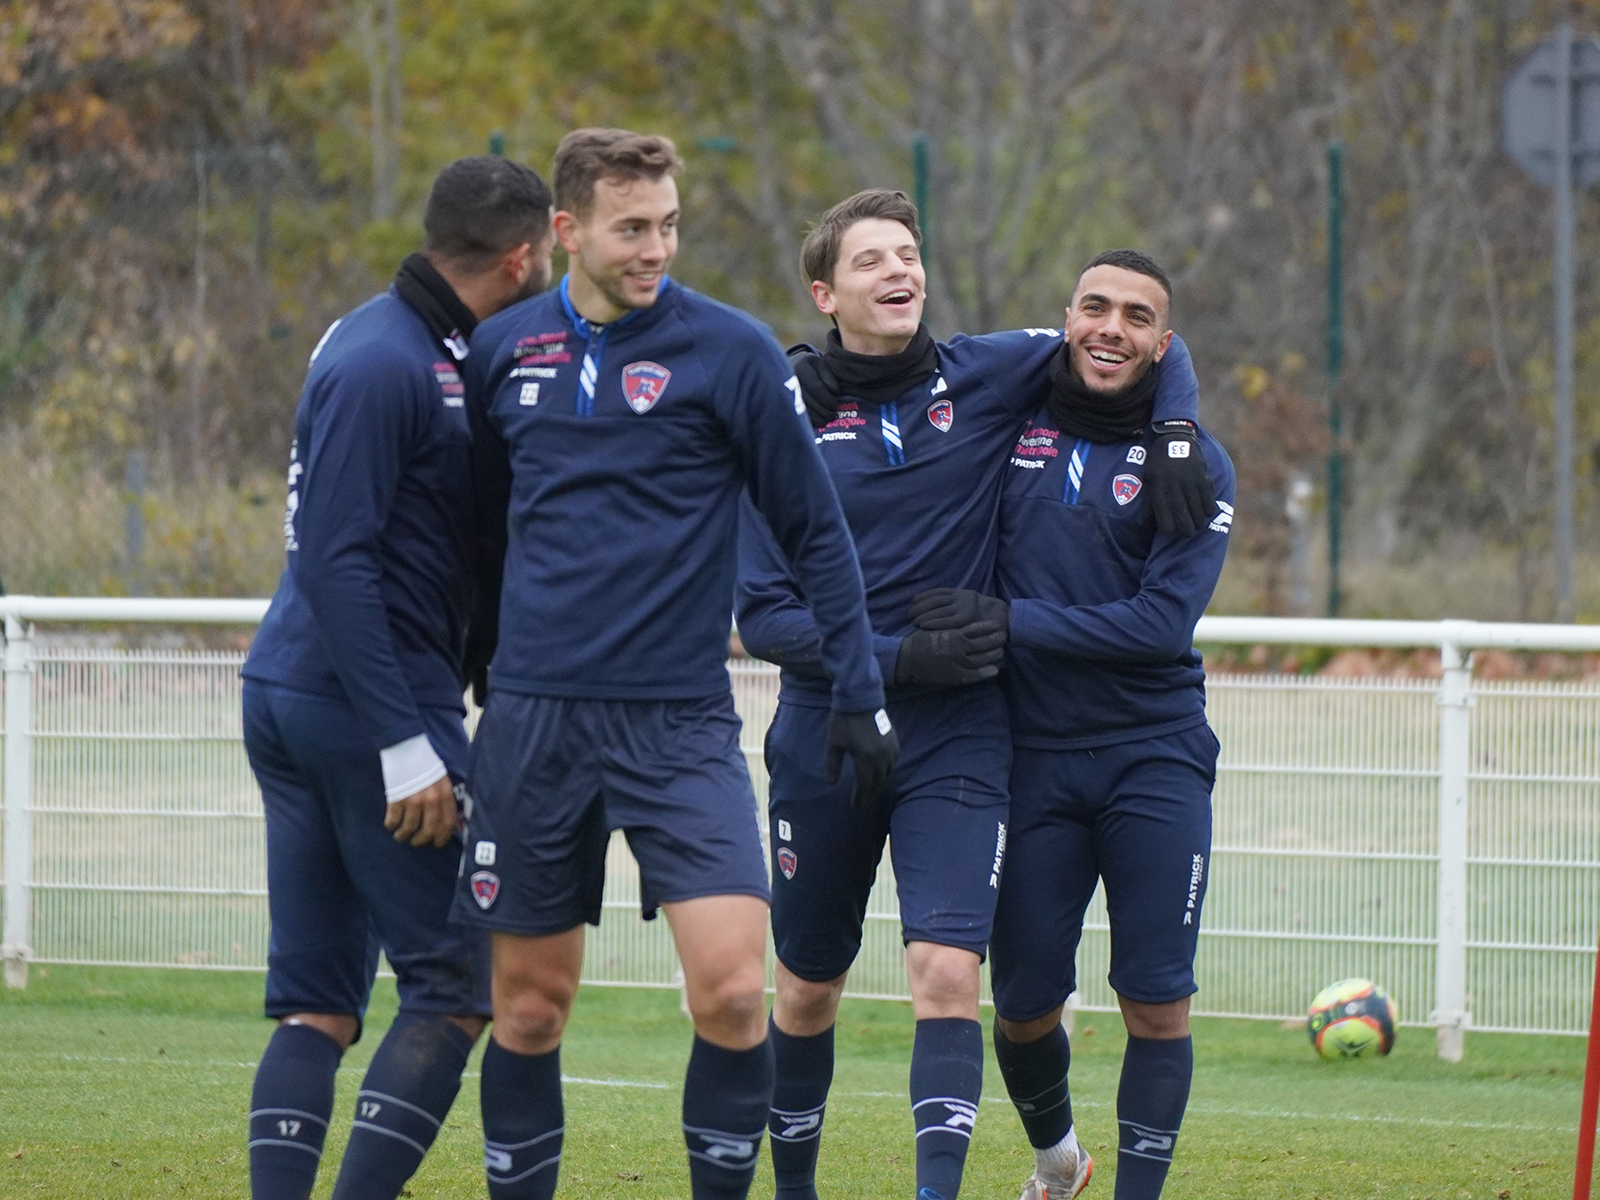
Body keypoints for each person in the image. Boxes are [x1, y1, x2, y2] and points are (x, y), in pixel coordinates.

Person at [735, 193, 1208, 1200]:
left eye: (907, 252)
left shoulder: (989, 370)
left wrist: (1174, 429)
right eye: (871, 260)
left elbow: (1129, 336)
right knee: (807, 985)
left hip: (963, 732)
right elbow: (765, 620)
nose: (897, 269)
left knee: (948, 975)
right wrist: (901, 658)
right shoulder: (779, 414)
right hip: (828, 728)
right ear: (826, 293)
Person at [453, 128, 897, 1200]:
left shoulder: (732, 353)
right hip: (534, 723)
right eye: (631, 228)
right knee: (526, 1009)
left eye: (669, 226)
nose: (656, 248)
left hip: (680, 723)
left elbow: (814, 531)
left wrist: (859, 693)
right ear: (566, 232)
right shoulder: (504, 352)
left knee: (737, 993)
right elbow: (473, 537)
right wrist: (465, 681)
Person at [239, 156, 555, 1200]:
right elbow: (336, 560)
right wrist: (406, 743)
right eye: (545, 251)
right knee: (456, 985)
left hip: (300, 691)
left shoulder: (391, 335)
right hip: (360, 705)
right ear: (519, 257)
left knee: (319, 1004)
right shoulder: (388, 361)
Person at [910, 250, 1234, 1200]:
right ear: (1066, 318)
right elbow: (911, 361)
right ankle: (1059, 1159)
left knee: (1155, 999)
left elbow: (1156, 627)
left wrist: (1010, 622)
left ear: (1161, 344)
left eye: (1137, 317)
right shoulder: (1012, 419)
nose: (1111, 328)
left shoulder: (1196, 462)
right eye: (1095, 307)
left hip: (1154, 755)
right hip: (1029, 758)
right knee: (1020, 1005)